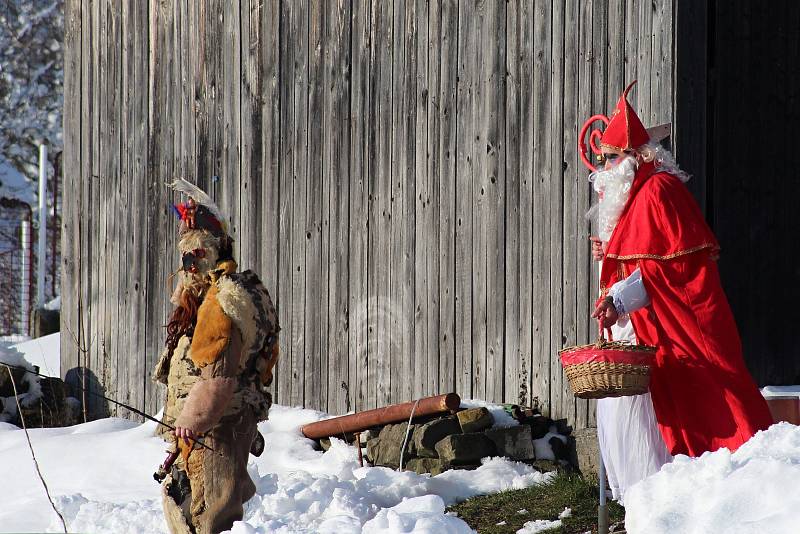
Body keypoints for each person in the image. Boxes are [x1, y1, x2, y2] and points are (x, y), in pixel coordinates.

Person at [581, 81, 774, 502]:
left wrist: (618, 297)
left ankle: (691, 504)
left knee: (709, 405)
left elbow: (670, 273)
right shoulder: (635, 194)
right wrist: (609, 256)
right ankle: (655, 507)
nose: (603, 171)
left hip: (685, 328)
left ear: (633, 159)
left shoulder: (658, 193)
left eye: (609, 160)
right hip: (647, 330)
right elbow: (638, 258)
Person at [152, 179, 280, 534]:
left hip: (216, 429)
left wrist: (190, 422)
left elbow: (219, 381)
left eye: (196, 256)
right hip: (202, 433)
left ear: (214, 253)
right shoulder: (201, 302)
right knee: (192, 512)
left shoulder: (221, 303)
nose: (189, 266)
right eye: (185, 257)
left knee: (212, 519)